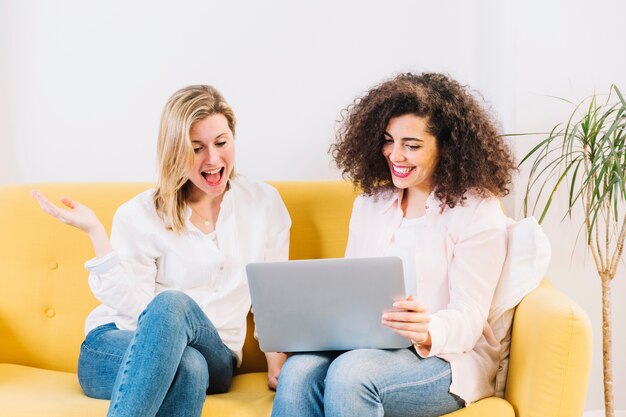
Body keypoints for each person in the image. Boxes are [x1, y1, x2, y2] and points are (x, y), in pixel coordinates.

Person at [33, 85, 291, 417]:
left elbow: (272, 297)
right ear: (174, 152)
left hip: (217, 353)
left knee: (179, 321)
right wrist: (97, 233)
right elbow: (136, 317)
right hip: (113, 346)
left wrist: (278, 363)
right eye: (196, 148)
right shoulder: (139, 214)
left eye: (221, 143)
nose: (213, 159)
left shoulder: (263, 204)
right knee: (187, 362)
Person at [271, 72, 517, 417]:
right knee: (297, 372)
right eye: (389, 141)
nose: (395, 155)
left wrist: (427, 328)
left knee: (351, 374)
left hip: (448, 357)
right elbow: (348, 290)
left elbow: (470, 317)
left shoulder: (477, 209)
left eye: (412, 145)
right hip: (370, 346)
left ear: (446, 147)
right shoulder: (370, 204)